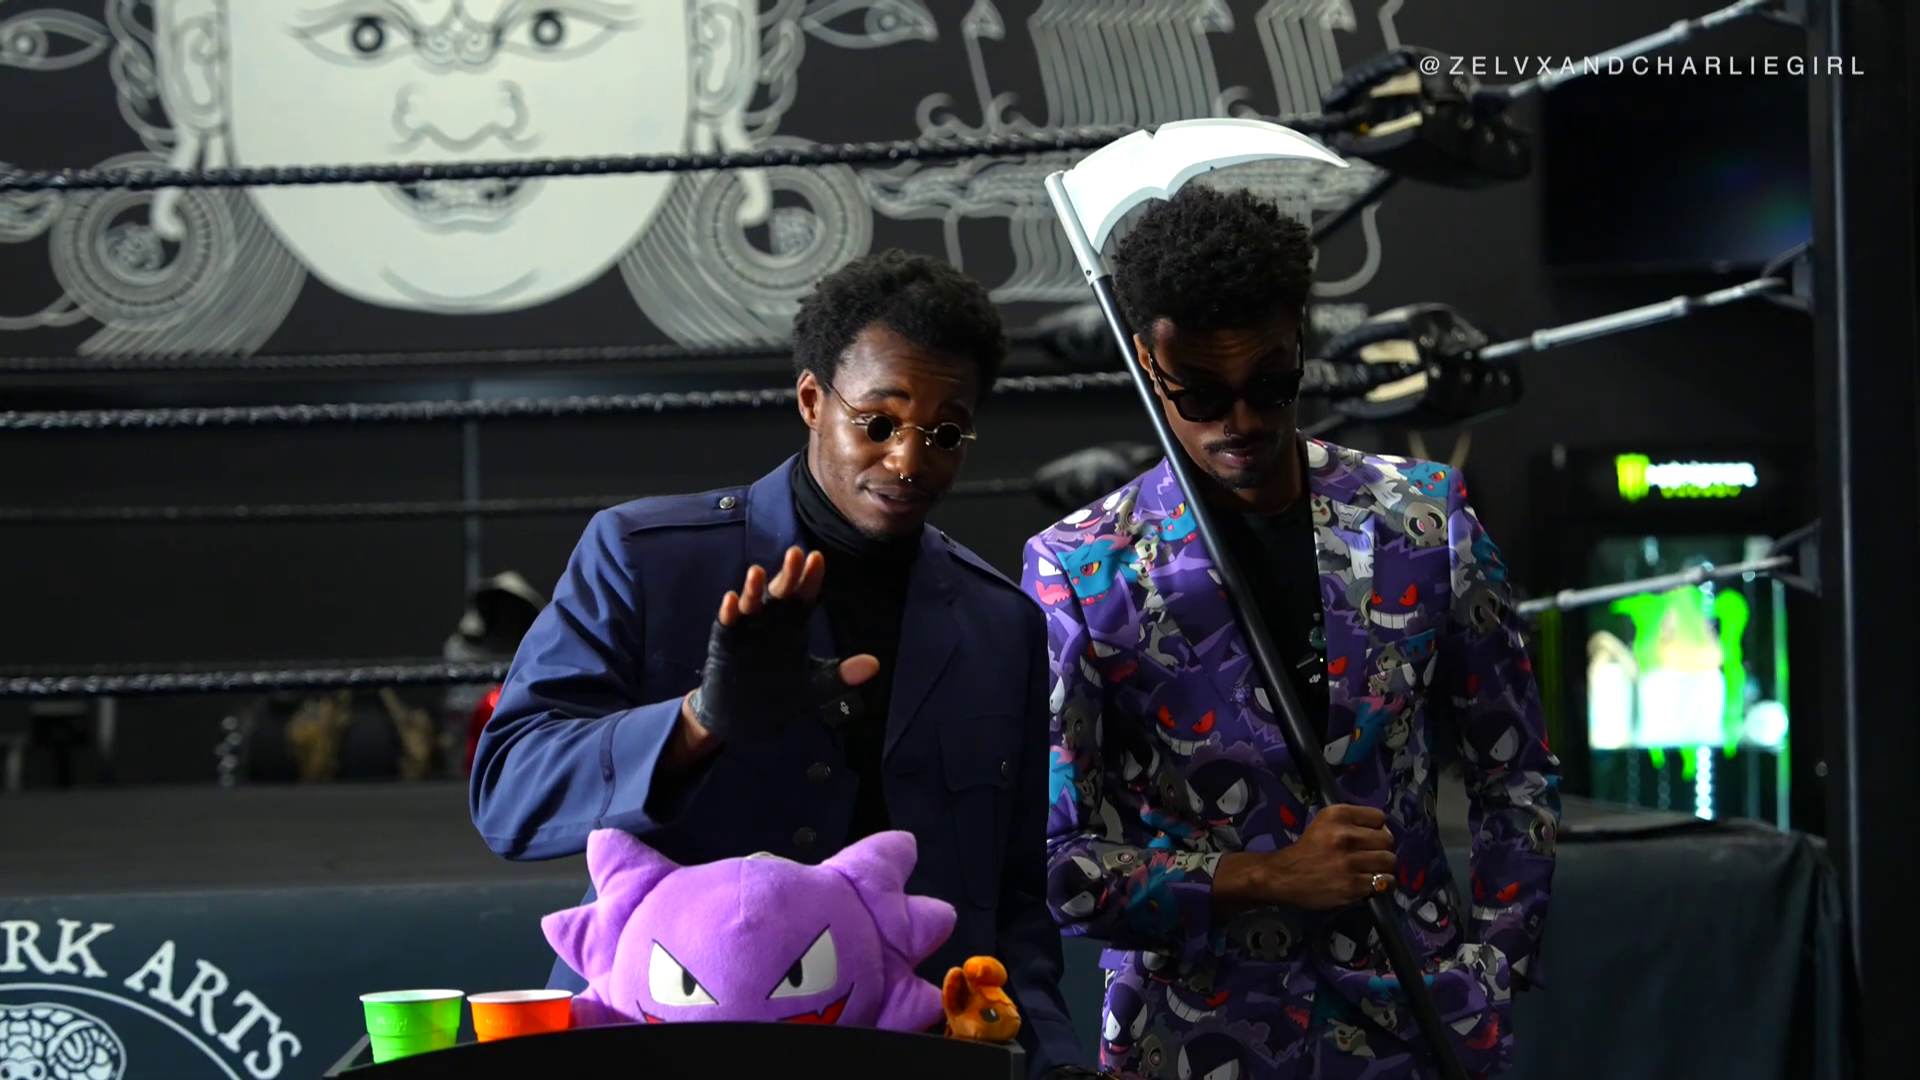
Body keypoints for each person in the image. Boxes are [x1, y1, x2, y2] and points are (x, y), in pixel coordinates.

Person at [471, 250, 1081, 1076]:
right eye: (878, 423)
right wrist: (698, 723)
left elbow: (1014, 908)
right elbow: (509, 796)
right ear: (811, 401)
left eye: (944, 433)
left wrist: (1049, 1058)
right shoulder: (645, 558)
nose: (909, 460)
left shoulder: (1000, 624)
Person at [1022, 186, 1560, 1079]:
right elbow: (1053, 865)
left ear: (1301, 345)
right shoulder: (1081, 570)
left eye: (1270, 384)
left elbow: (1517, 771)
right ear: (1149, 367)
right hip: (1190, 1043)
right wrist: (1266, 878)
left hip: (1417, 1029)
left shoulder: (1423, 518)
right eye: (1200, 393)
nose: (1240, 422)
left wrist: (1494, 969)